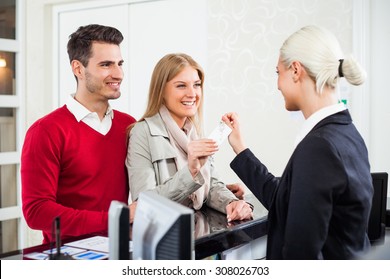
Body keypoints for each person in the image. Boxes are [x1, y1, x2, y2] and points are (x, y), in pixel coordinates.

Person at [222, 25, 373, 259]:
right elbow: (284, 199)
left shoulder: (319, 147)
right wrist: (240, 148)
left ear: (295, 70)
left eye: (277, 73)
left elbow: (299, 255)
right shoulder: (346, 133)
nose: (277, 85)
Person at [21, 24, 136, 244]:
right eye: (106, 65)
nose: (118, 74)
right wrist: (116, 219)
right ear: (78, 69)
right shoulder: (45, 131)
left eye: (120, 64)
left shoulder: (129, 125)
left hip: (121, 253)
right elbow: (36, 212)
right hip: (68, 260)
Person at [126, 53, 253, 222]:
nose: (192, 93)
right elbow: (144, 203)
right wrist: (191, 171)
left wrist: (231, 202)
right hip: (164, 236)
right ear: (161, 91)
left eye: (197, 85)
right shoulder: (142, 132)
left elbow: (211, 185)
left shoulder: (195, 131)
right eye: (181, 86)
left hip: (196, 232)